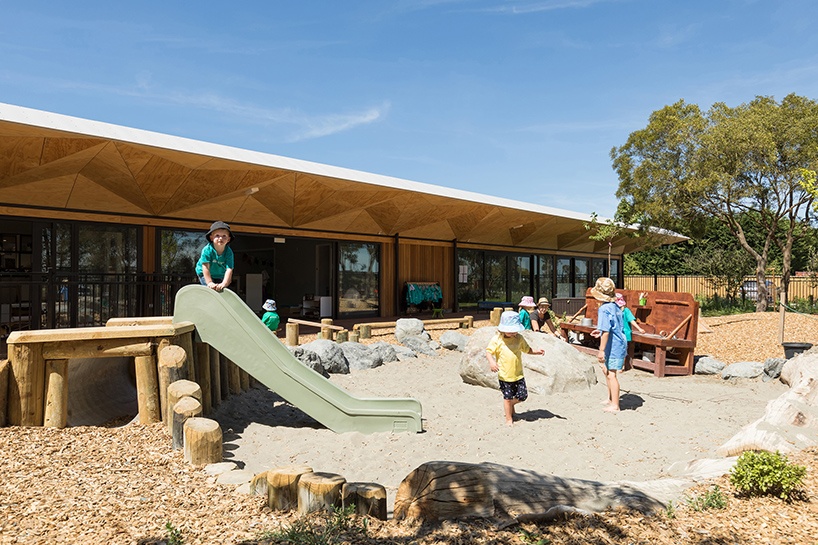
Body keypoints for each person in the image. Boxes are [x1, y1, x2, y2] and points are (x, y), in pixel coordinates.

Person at [485, 310, 545, 427]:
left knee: (522, 396)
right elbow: (488, 351)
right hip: (505, 375)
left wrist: (537, 351)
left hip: (518, 374)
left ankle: (511, 404)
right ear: (503, 329)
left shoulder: (519, 338)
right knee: (507, 398)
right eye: (510, 331)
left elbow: (527, 349)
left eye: (515, 330)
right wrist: (492, 362)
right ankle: (509, 419)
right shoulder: (497, 339)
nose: (513, 333)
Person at [589, 277, 627, 413]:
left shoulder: (604, 309)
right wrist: (600, 332)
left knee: (611, 374)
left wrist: (601, 350)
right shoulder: (615, 306)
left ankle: (615, 405)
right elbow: (611, 327)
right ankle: (611, 399)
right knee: (608, 371)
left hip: (614, 345)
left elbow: (606, 331)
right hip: (618, 341)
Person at [195, 221, 234, 292]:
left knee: (221, 290)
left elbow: (229, 269)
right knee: (210, 290)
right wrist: (209, 282)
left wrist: (224, 283)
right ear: (211, 238)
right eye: (217, 235)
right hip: (204, 272)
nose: (220, 238)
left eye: (224, 236)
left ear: (228, 239)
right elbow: (205, 267)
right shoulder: (207, 250)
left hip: (219, 273)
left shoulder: (229, 252)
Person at [615, 292, 645, 365]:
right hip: (620, 333)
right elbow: (632, 320)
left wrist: (639, 328)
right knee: (621, 350)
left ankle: (621, 366)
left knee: (620, 350)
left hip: (621, 333)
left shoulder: (624, 311)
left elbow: (632, 320)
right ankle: (620, 366)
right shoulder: (621, 310)